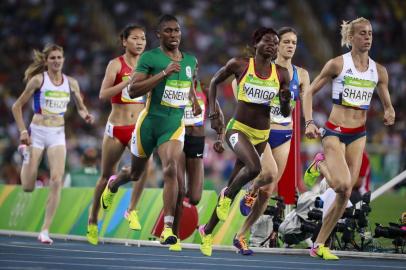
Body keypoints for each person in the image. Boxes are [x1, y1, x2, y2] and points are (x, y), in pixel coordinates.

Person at [100, 14, 200, 246]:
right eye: (168, 31)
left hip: (173, 125)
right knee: (135, 174)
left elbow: (190, 81)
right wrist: (163, 73)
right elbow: (133, 90)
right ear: (159, 35)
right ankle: (114, 183)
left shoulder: (191, 60)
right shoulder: (150, 58)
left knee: (170, 168)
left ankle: (167, 228)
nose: (173, 35)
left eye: (176, 30)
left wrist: (193, 99)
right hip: (149, 124)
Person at [303, 17, 395, 260]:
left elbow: (387, 103)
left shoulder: (379, 71)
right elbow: (309, 92)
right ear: (351, 38)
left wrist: (389, 111)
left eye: (370, 33)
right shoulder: (337, 65)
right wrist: (310, 121)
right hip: (334, 131)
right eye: (362, 33)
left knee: (346, 192)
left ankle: (319, 244)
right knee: (341, 185)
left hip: (358, 134)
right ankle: (320, 162)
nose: (367, 37)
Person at [199, 27, 291, 257]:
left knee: (237, 183)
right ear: (256, 43)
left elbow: (285, 110)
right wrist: (213, 111)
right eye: (268, 41)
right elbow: (213, 83)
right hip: (238, 129)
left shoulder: (281, 73)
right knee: (255, 168)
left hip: (262, 134)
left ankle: (207, 231)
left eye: (275, 43)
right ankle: (228, 194)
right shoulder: (240, 64)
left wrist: (286, 100)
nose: (272, 45)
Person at [234, 27, 310, 255]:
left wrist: (311, 123)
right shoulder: (262, 69)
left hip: (285, 134)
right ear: (276, 45)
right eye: (285, 41)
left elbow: (305, 103)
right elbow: (238, 90)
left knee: (269, 191)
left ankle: (240, 235)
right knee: (267, 173)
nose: (289, 46)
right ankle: (251, 188)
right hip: (263, 132)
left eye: (294, 42)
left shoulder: (301, 75)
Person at [11, 44, 94, 244]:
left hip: (58, 133)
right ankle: (26, 155)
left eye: (59, 57)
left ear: (64, 59)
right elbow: (16, 106)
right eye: (52, 58)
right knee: (28, 187)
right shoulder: (38, 80)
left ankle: (45, 230)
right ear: (46, 61)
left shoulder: (71, 83)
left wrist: (86, 116)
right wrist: (23, 131)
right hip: (37, 133)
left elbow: (81, 108)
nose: (56, 61)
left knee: (56, 180)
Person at [86, 24, 147, 245]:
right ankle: (93, 221)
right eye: (135, 38)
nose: (140, 42)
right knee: (104, 176)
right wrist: (125, 83)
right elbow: (103, 94)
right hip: (116, 128)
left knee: (141, 171)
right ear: (124, 41)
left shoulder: (148, 64)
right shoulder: (115, 64)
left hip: (138, 128)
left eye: (143, 38)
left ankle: (132, 210)